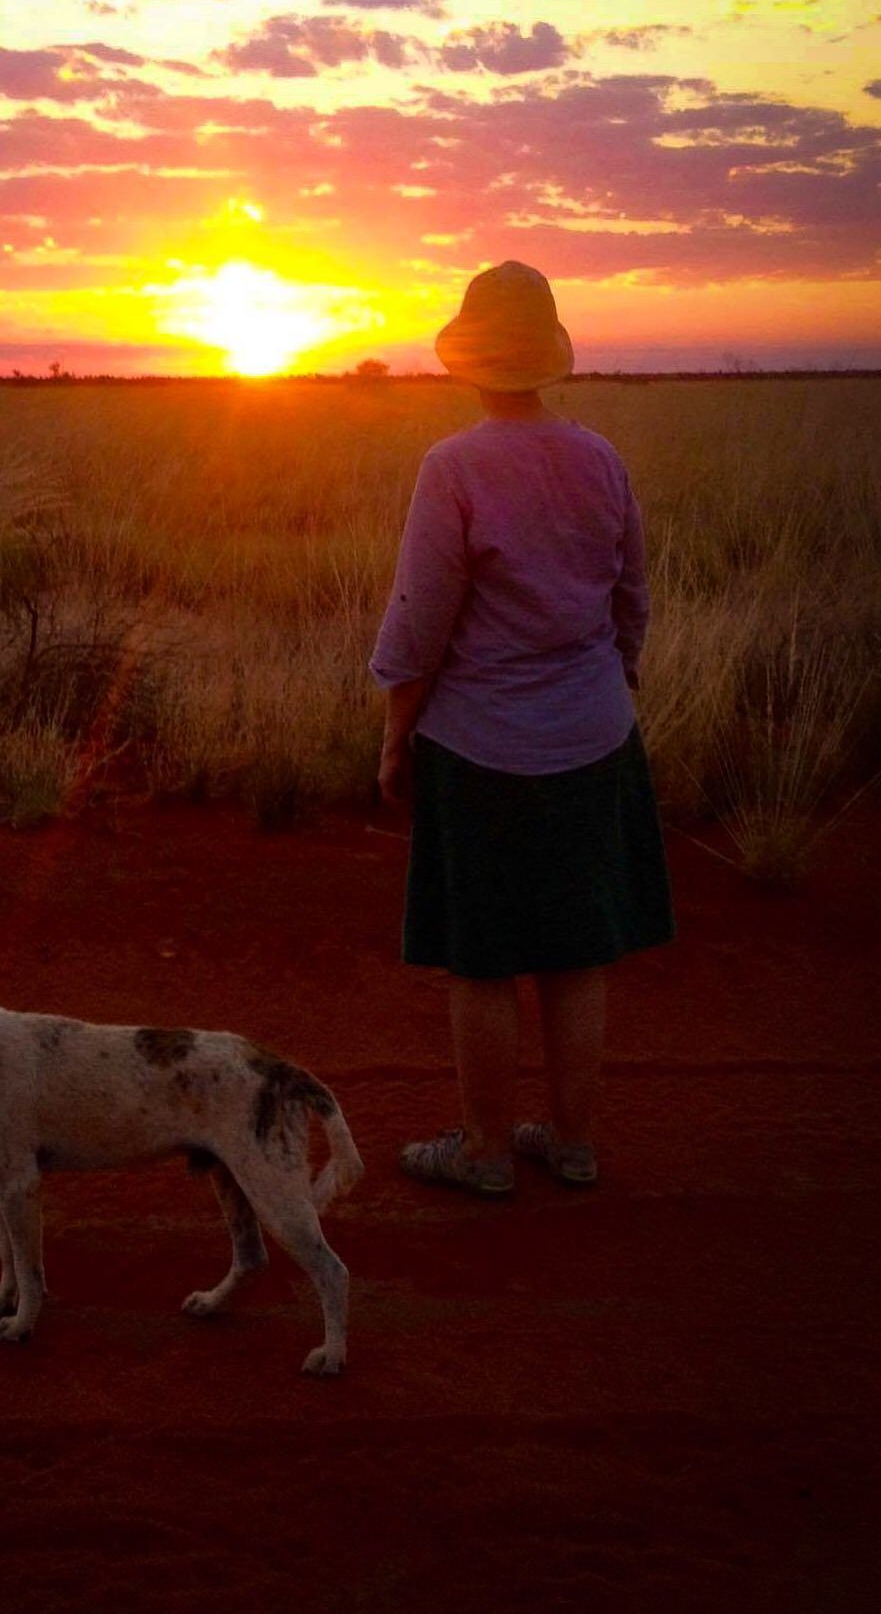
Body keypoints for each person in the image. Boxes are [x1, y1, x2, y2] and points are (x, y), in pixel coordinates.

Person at [369, 261, 674, 1196]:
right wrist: (606, 684)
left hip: (480, 747)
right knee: (578, 952)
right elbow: (631, 600)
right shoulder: (600, 458)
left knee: (482, 956)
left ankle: (484, 1150)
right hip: (592, 737)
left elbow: (420, 619)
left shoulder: (452, 467)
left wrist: (394, 734)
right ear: (548, 358)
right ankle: (572, 1143)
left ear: (468, 358)